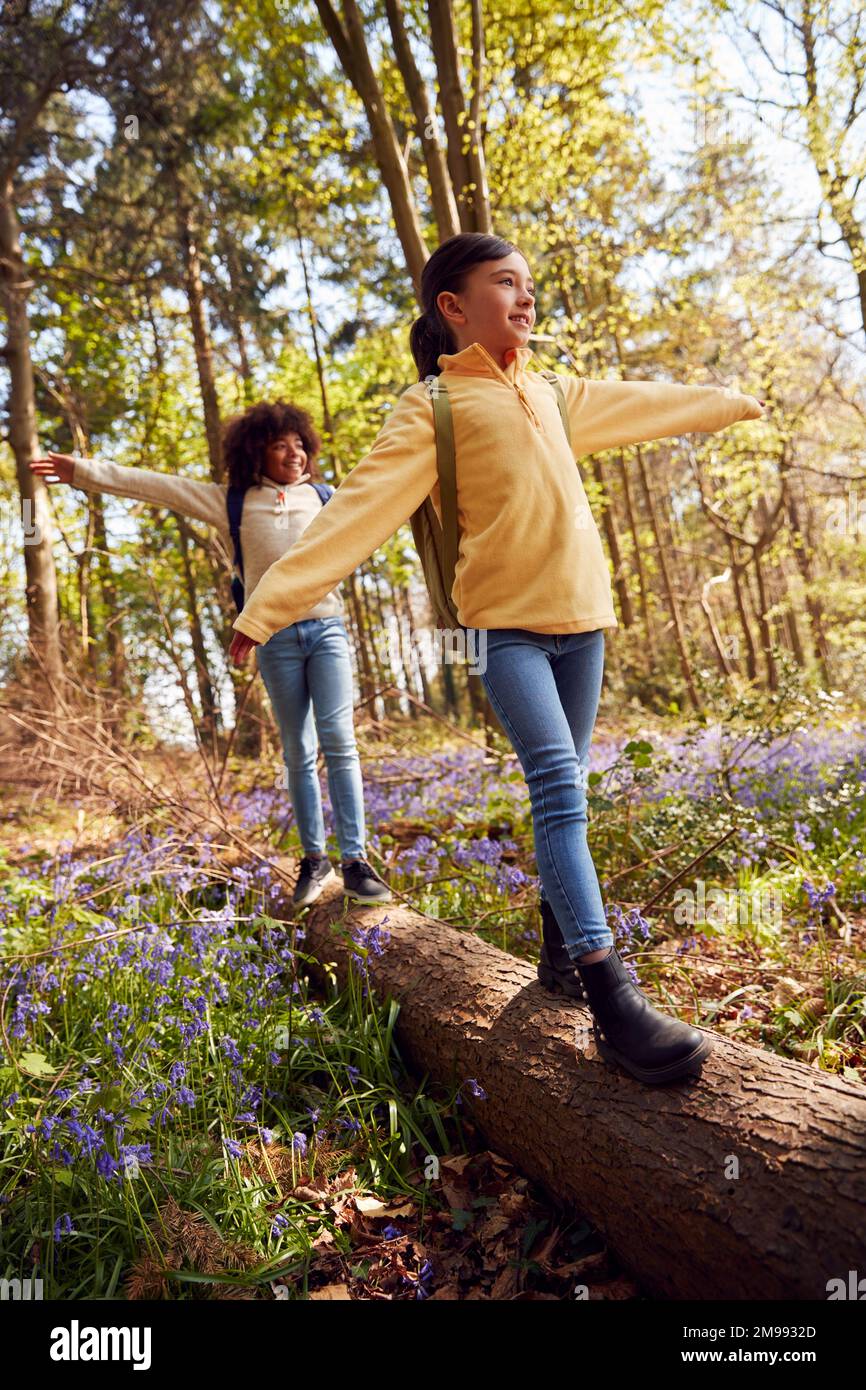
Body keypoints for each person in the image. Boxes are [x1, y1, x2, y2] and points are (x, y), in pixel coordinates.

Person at [228, 232, 766, 1085]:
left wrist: (729, 400)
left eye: (528, 286)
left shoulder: (552, 392)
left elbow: (647, 402)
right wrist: (267, 610)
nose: (524, 298)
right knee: (557, 784)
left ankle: (556, 950)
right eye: (505, 283)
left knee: (571, 784)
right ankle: (610, 998)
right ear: (453, 306)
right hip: (502, 629)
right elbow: (352, 517)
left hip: (583, 621)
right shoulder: (433, 409)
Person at [30, 401, 392, 910]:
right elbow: (156, 486)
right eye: (280, 444)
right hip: (275, 640)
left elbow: (387, 495)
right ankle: (315, 860)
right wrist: (83, 471)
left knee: (339, 739)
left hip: (328, 630)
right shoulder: (234, 504)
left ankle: (355, 862)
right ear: (256, 453)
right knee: (297, 750)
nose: (294, 452)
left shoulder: (328, 497)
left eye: (299, 443)